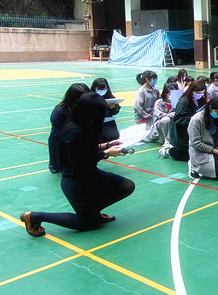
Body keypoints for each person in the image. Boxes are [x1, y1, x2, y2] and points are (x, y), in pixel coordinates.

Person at [20, 93, 135, 236]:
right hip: (76, 182)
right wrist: (106, 154)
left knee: (126, 186)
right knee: (87, 223)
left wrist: (107, 145)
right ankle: (34, 217)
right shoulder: (74, 132)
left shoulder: (82, 125)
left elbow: (85, 149)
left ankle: (93, 212)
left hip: (90, 174)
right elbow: (80, 162)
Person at [48, 83, 90, 174]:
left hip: (79, 136)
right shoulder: (59, 111)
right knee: (62, 166)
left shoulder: (86, 107)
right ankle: (54, 164)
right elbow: (58, 132)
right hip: (60, 139)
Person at [167, 79, 207, 161]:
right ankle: (169, 151)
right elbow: (178, 120)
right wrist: (192, 118)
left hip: (196, 131)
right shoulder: (183, 102)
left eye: (202, 93)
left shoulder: (201, 100)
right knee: (191, 157)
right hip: (183, 133)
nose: (200, 95)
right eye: (197, 93)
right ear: (191, 91)